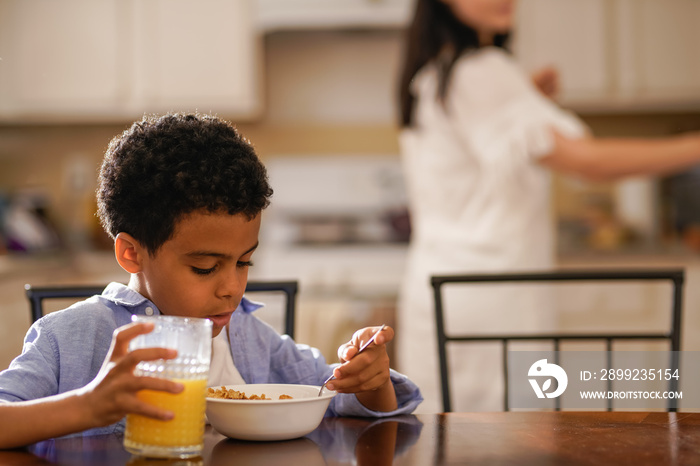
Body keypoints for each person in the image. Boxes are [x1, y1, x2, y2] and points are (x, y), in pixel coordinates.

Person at [0, 113, 422, 449]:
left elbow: (344, 402)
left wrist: (370, 380)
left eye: (244, 263)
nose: (231, 289)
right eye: (205, 267)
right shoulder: (71, 338)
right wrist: (87, 406)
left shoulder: (250, 338)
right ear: (132, 252)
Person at [396, 0, 700, 413]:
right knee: (507, 441)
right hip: (492, 293)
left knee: (450, 438)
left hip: (446, 288)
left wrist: (527, 98)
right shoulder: (481, 71)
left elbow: (488, 154)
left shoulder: (437, 71)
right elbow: (588, 162)